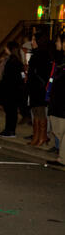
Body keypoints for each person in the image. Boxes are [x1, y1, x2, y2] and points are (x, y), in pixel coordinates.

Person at [27, 32, 53, 147]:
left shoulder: (43, 55)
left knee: (41, 113)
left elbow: (42, 73)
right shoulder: (36, 54)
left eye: (34, 40)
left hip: (40, 88)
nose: (32, 42)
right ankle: (36, 136)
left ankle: (42, 136)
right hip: (34, 88)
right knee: (35, 113)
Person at [0, 41, 24, 137]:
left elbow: (11, 77)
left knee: (11, 111)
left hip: (11, 90)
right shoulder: (12, 60)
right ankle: (8, 129)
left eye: (6, 48)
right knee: (9, 111)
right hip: (12, 90)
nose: (4, 49)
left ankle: (10, 130)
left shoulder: (13, 61)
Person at [46, 35, 65, 167]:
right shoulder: (59, 58)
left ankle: (62, 159)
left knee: (62, 130)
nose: (56, 43)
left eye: (58, 41)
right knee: (57, 129)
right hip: (57, 100)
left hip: (62, 101)